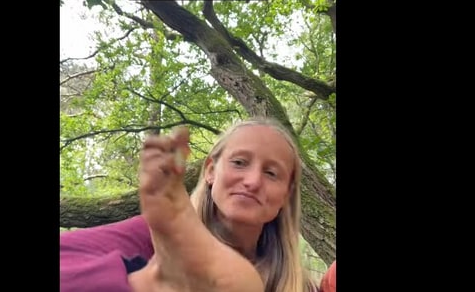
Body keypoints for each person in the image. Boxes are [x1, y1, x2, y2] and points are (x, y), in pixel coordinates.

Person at [60, 117, 325, 292]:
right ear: (210, 171)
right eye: (239, 162)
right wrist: (143, 283)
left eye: (271, 173)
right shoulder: (155, 234)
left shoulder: (300, 285)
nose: (253, 181)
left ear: (286, 195)